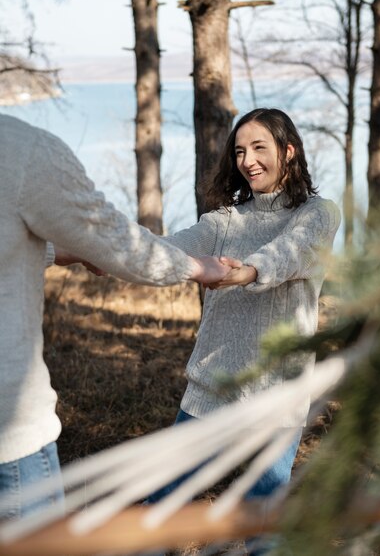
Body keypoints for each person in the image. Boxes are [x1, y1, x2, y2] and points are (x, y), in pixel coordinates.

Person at [0, 113, 238, 521]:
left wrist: (61, 251)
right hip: (10, 438)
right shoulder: (22, 149)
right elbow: (119, 243)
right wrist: (198, 269)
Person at [150, 108, 341, 521]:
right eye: (239, 151)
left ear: (288, 151)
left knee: (262, 526)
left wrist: (246, 272)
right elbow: (163, 249)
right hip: (209, 392)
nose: (247, 160)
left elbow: (291, 252)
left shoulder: (318, 214)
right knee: (158, 511)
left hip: (277, 398)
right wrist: (84, 250)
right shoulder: (224, 221)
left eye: (259, 147)